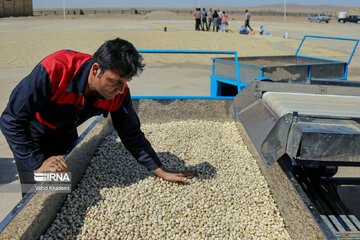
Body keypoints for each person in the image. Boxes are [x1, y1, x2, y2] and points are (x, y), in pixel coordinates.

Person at [0, 38, 195, 195]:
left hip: (65, 130)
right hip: (32, 132)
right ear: (95, 69)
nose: (120, 90)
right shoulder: (56, 70)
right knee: (35, 195)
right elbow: (11, 119)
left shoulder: (118, 94)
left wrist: (159, 169)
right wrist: (37, 164)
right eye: (115, 81)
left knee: (60, 190)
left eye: (125, 82)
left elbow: (131, 133)